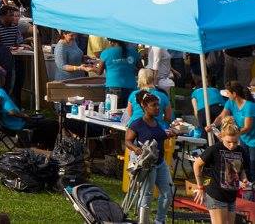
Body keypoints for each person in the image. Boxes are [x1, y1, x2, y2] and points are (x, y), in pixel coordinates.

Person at [126, 90, 181, 224]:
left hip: (160, 163)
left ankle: (159, 221)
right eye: (154, 105)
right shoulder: (137, 124)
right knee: (147, 195)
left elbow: (159, 136)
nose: (158, 108)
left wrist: (170, 133)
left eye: (158, 105)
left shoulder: (158, 122)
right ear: (145, 107)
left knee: (169, 193)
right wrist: (136, 149)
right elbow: (127, 141)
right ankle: (142, 221)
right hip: (147, 165)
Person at [0, 67, 58, 148]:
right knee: (52, 124)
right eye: (4, 77)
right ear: (1, 79)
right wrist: (25, 116)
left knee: (41, 122)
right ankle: (46, 148)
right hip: (13, 125)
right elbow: (12, 112)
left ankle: (25, 143)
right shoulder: (1, 93)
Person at [193, 122, 250, 224]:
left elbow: (241, 170)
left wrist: (244, 179)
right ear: (222, 137)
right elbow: (197, 164)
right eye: (229, 142)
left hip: (231, 195)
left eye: (235, 142)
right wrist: (200, 186)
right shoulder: (214, 149)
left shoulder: (241, 151)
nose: (232, 145)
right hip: (215, 193)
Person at [220, 81, 255, 175]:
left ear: (234, 94)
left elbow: (247, 127)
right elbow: (222, 116)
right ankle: (246, 184)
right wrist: (213, 125)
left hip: (253, 140)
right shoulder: (230, 102)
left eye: (228, 93)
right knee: (243, 163)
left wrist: (231, 133)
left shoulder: (249, 106)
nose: (227, 95)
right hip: (243, 138)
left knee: (252, 164)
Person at [98, 39, 140, 106]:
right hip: (131, 87)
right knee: (128, 113)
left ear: (111, 42)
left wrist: (90, 68)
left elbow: (99, 72)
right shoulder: (134, 52)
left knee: (112, 112)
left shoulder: (106, 53)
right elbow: (141, 70)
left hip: (113, 87)